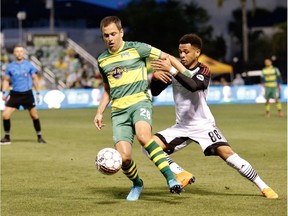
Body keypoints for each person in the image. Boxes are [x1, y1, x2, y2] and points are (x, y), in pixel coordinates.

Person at [148, 33, 278, 199]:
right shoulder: (175, 70)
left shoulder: (203, 69)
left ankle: (264, 186)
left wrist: (172, 69)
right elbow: (155, 92)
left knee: (228, 155)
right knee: (149, 146)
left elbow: (194, 86)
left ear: (197, 52)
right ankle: (181, 174)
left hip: (203, 125)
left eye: (186, 52)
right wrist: (156, 78)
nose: (182, 55)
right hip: (182, 126)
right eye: (180, 52)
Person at [93, 16, 183, 201]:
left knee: (144, 137)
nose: (110, 38)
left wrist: (188, 74)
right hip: (118, 112)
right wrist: (100, 111)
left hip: (140, 102)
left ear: (121, 32)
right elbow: (107, 89)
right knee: (124, 158)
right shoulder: (102, 60)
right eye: (105, 35)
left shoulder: (137, 48)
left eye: (113, 34)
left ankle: (171, 178)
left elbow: (167, 56)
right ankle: (137, 184)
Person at [1, 44, 46, 145]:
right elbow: (6, 80)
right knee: (5, 115)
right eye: (17, 51)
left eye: (21, 51)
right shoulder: (10, 66)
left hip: (27, 94)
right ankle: (7, 137)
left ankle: (39, 137)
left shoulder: (29, 65)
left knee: (34, 116)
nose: (19, 53)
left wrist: (38, 92)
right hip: (15, 94)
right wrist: (4, 92)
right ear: (14, 53)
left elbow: (35, 79)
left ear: (24, 53)